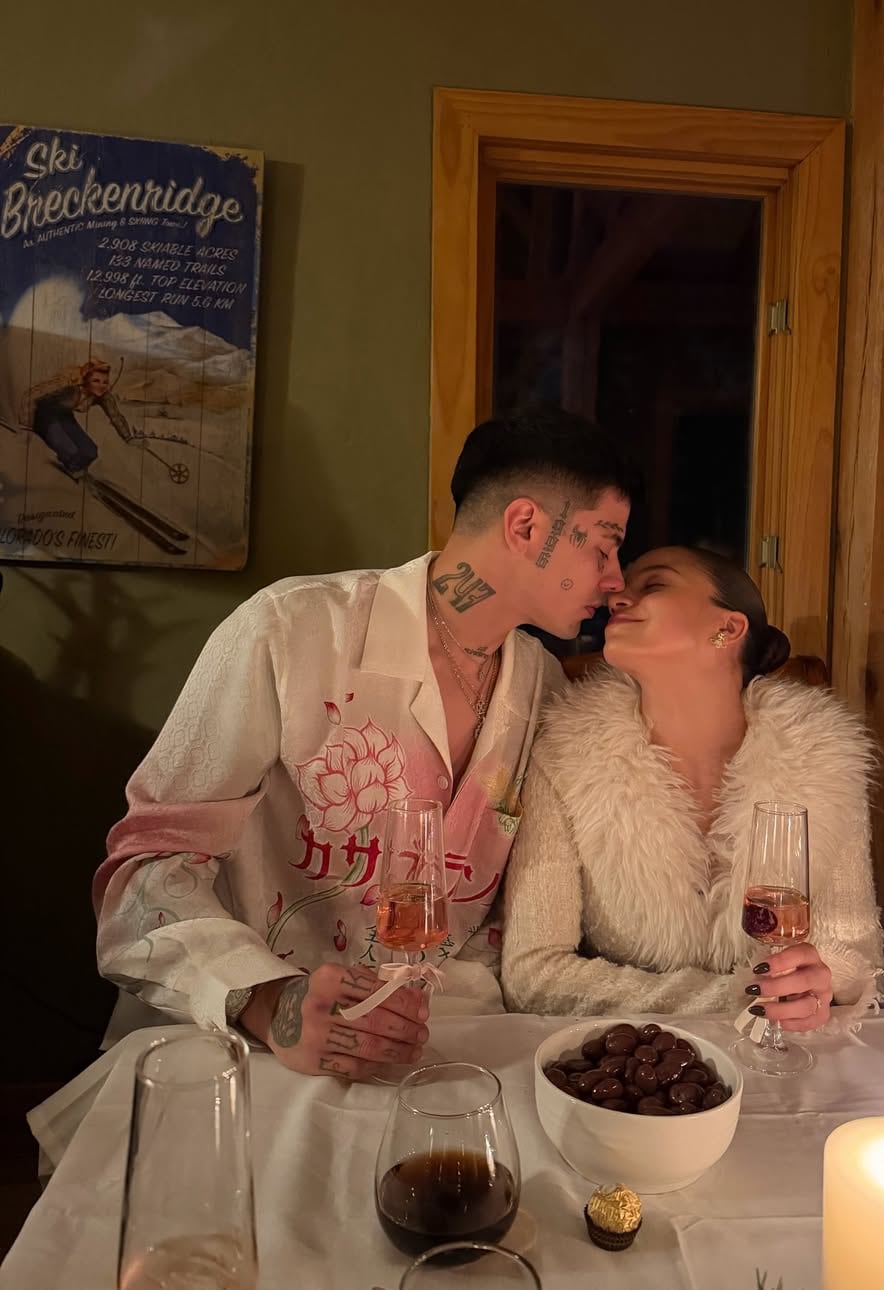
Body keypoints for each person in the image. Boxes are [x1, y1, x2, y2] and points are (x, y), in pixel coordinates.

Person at [94, 407, 638, 1081]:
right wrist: (268, 1002)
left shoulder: (542, 685)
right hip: (244, 1049)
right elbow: (147, 868)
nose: (616, 578)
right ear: (525, 526)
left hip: (448, 1043)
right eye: (603, 547)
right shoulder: (292, 632)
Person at [501, 546, 884, 1031]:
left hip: (784, 1052)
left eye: (654, 584)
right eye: (621, 589)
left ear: (728, 628)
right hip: (631, 1060)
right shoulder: (564, 754)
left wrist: (821, 979)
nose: (616, 597)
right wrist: (734, 997)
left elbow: (855, 956)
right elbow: (533, 974)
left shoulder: (824, 757)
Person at [29, 358, 138, 478]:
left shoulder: (104, 396)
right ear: (86, 380)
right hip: (45, 414)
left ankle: (74, 468)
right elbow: (33, 394)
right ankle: (71, 468)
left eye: (105, 382)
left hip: (64, 416)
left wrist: (128, 437)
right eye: (96, 381)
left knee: (90, 452)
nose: (101, 386)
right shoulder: (69, 385)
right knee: (70, 450)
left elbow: (115, 416)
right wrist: (25, 425)